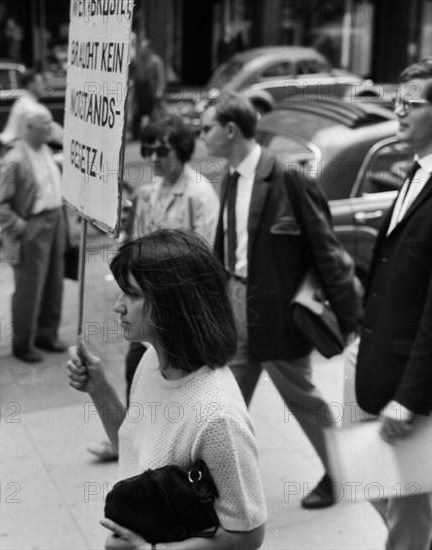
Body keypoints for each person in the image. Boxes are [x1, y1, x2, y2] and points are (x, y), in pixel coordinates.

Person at [200, 91, 361, 509]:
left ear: (231, 129)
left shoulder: (290, 179)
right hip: (236, 303)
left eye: (206, 129)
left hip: (279, 312)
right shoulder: (231, 177)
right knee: (225, 399)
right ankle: (208, 481)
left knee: (301, 397)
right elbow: (226, 248)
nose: (201, 137)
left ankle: (340, 473)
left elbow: (327, 252)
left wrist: (352, 320)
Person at [67, 228, 267, 549]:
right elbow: (134, 449)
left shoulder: (218, 420)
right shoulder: (151, 361)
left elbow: (248, 534)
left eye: (132, 294)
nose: (118, 306)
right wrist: (99, 389)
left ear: (173, 304)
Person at [87, 115, 220, 462]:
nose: (155, 159)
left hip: (178, 310)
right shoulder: (153, 191)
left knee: (173, 381)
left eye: (162, 150)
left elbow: (202, 259)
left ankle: (154, 449)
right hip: (150, 307)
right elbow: (139, 245)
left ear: (182, 149)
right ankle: (131, 442)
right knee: (139, 371)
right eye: (150, 151)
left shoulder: (199, 194)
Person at [354, 56, 432, 550]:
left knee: (408, 507)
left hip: (414, 381)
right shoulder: (415, 173)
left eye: (413, 103)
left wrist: (410, 397)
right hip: (379, 360)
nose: (399, 113)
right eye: (397, 102)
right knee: (369, 481)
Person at [0, 104, 68, 363]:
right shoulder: (14, 160)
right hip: (30, 228)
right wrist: (21, 226)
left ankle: (47, 335)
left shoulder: (44, 148)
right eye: (45, 124)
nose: (50, 128)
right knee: (28, 290)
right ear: (29, 128)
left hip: (54, 222)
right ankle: (23, 345)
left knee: (54, 283)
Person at [0, 69, 62, 153]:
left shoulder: (23, 101)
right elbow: (51, 131)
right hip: (16, 150)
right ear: (31, 85)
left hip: (12, 148)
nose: (44, 86)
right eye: (40, 83)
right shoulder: (32, 108)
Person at [132, 39, 166, 140]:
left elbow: (161, 78)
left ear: (150, 49)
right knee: (137, 113)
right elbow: (135, 76)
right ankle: (136, 134)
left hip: (151, 89)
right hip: (140, 89)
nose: (143, 50)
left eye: (145, 48)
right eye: (142, 47)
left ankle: (155, 133)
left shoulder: (156, 61)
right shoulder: (138, 60)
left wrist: (159, 90)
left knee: (154, 113)